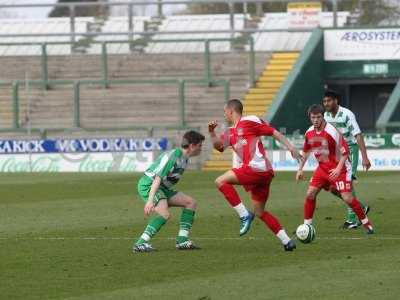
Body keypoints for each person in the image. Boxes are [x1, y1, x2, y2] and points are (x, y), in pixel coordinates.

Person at [208, 99, 302, 251]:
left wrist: (291, 147)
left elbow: (273, 132)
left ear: (231, 111)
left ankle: (244, 215)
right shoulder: (230, 132)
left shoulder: (249, 121)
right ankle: (287, 242)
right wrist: (211, 132)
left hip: (256, 168)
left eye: (225, 111)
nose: (224, 114)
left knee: (220, 181)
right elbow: (219, 146)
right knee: (260, 212)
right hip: (263, 174)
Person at [296, 104, 374, 234]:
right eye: (313, 117)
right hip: (322, 168)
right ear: (309, 117)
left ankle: (366, 223)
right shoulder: (309, 132)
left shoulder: (331, 131)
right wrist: (300, 169)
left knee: (348, 198)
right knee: (310, 194)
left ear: (323, 117)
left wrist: (338, 169)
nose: (315, 120)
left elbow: (346, 151)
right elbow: (305, 151)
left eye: (318, 117)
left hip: (341, 168)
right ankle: (307, 226)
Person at [133, 130, 205, 252]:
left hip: (161, 188)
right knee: (164, 214)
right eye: (200, 145)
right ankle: (140, 244)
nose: (201, 148)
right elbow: (157, 178)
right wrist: (150, 201)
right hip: (149, 185)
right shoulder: (174, 157)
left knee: (190, 203)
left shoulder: (184, 158)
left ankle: (182, 241)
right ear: (192, 146)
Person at [323, 90, 371, 229]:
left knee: (347, 181)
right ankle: (360, 208)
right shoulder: (326, 116)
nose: (326, 104)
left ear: (336, 101)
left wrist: (365, 157)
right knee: (332, 188)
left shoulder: (347, 114)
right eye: (325, 101)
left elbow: (358, 135)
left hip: (351, 149)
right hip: (337, 153)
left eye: (329, 101)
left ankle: (352, 219)